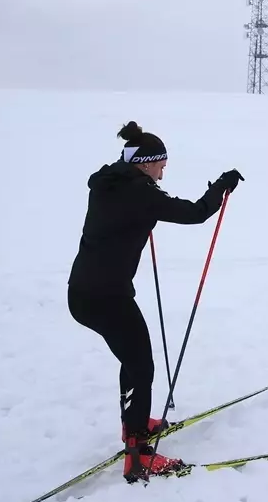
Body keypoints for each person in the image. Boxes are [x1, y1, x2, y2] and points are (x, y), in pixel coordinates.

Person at [67, 121, 244, 483]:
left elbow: (125, 215)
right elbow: (195, 213)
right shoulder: (140, 195)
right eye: (161, 164)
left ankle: (133, 424)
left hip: (83, 293)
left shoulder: (107, 182)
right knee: (142, 367)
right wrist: (222, 186)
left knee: (131, 359)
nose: (164, 170)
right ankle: (138, 455)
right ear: (145, 163)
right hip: (108, 298)